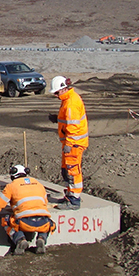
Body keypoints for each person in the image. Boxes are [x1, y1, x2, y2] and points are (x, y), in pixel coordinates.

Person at [0, 164, 56, 255]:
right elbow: (44, 203)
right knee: (50, 225)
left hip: (24, 222)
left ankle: (20, 240)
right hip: (43, 221)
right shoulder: (38, 184)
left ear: (13, 176)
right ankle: (41, 238)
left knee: (6, 221)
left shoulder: (11, 186)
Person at [50, 76, 89, 210]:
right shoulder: (67, 99)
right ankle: (70, 195)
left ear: (62, 89)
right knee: (66, 170)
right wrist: (57, 119)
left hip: (74, 144)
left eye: (56, 92)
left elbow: (73, 125)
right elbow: (68, 119)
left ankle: (74, 200)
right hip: (71, 142)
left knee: (72, 171)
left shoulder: (71, 102)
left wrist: (69, 143)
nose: (55, 95)